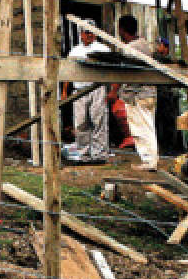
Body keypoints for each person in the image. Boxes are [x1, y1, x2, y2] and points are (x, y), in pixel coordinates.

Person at [113, 15, 159, 170]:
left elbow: (124, 72)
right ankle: (150, 160)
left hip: (139, 94)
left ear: (121, 29)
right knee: (148, 127)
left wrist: (116, 90)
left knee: (142, 129)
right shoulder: (145, 45)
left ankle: (149, 162)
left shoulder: (131, 48)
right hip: (148, 92)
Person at [63, 21, 111, 162]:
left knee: (99, 121)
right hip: (79, 90)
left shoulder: (103, 49)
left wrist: (109, 90)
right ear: (81, 34)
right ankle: (83, 154)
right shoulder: (74, 51)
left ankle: (99, 155)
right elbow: (68, 72)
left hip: (97, 88)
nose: (89, 35)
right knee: (80, 123)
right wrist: (65, 90)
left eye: (91, 32)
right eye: (86, 32)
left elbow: (111, 71)